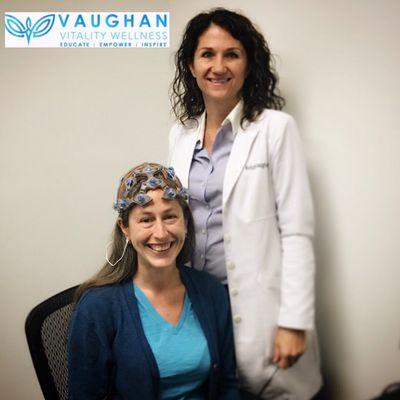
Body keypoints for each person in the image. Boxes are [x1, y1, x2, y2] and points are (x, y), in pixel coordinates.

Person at [168, 8, 322, 400]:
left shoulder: (274, 129)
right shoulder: (180, 137)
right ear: (191, 63)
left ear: (249, 63)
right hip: (199, 307)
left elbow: (297, 232)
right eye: (207, 54)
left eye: (232, 54)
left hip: (262, 311)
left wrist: (294, 322)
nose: (218, 66)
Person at [68, 163, 240, 400]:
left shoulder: (210, 291)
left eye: (170, 217)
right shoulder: (97, 308)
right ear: (125, 228)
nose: (160, 233)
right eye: (146, 220)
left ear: (185, 222)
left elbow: (227, 384)